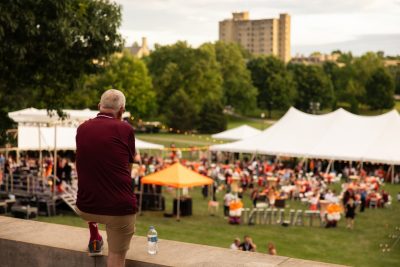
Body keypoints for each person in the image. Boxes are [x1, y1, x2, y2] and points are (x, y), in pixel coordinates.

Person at [76, 89, 136, 267]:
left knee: (95, 179)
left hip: (85, 206)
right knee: (117, 257)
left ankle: (94, 232)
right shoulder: (125, 129)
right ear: (122, 110)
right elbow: (128, 169)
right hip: (118, 209)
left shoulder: (82, 128)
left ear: (98, 107)